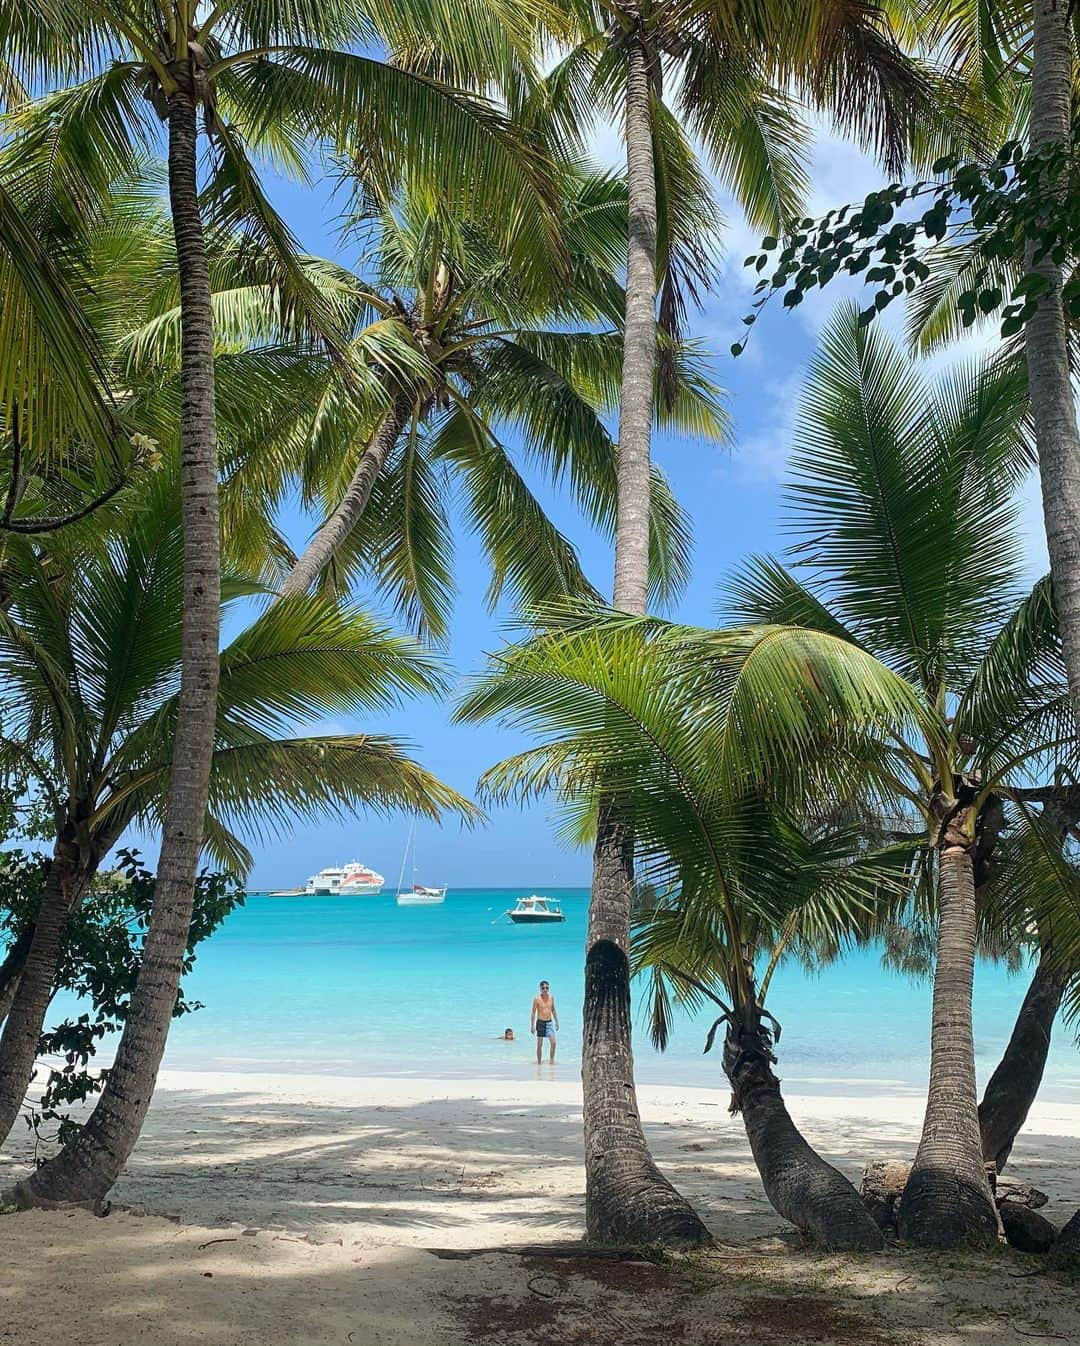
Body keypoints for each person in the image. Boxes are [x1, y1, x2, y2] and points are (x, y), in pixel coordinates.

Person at [530, 980, 559, 1063]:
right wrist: (532, 1026)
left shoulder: (551, 998)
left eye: (547, 988)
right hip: (540, 1023)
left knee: (553, 1043)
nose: (545, 990)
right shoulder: (537, 999)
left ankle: (551, 1061)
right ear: (540, 989)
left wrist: (557, 1022)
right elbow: (533, 1013)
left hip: (549, 1022)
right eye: (543, 988)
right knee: (540, 1044)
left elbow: (553, 1010)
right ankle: (539, 1062)